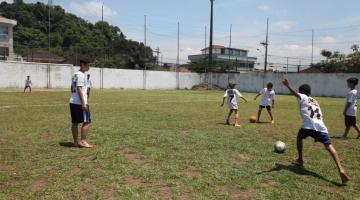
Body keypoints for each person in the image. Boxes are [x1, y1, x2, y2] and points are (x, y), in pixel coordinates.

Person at [282, 79, 349, 184]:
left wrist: (287, 85)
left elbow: (295, 94)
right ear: (310, 93)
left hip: (308, 126)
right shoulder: (315, 100)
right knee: (329, 146)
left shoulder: (303, 97)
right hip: (321, 127)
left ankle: (300, 159)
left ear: (302, 92)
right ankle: (340, 168)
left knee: (299, 138)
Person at [69, 60, 93, 148]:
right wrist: (83, 103)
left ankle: (75, 142)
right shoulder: (81, 75)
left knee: (75, 123)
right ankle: (83, 141)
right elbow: (79, 89)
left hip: (73, 101)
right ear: (82, 65)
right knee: (87, 121)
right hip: (80, 103)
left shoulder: (75, 74)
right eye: (88, 65)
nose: (89, 67)